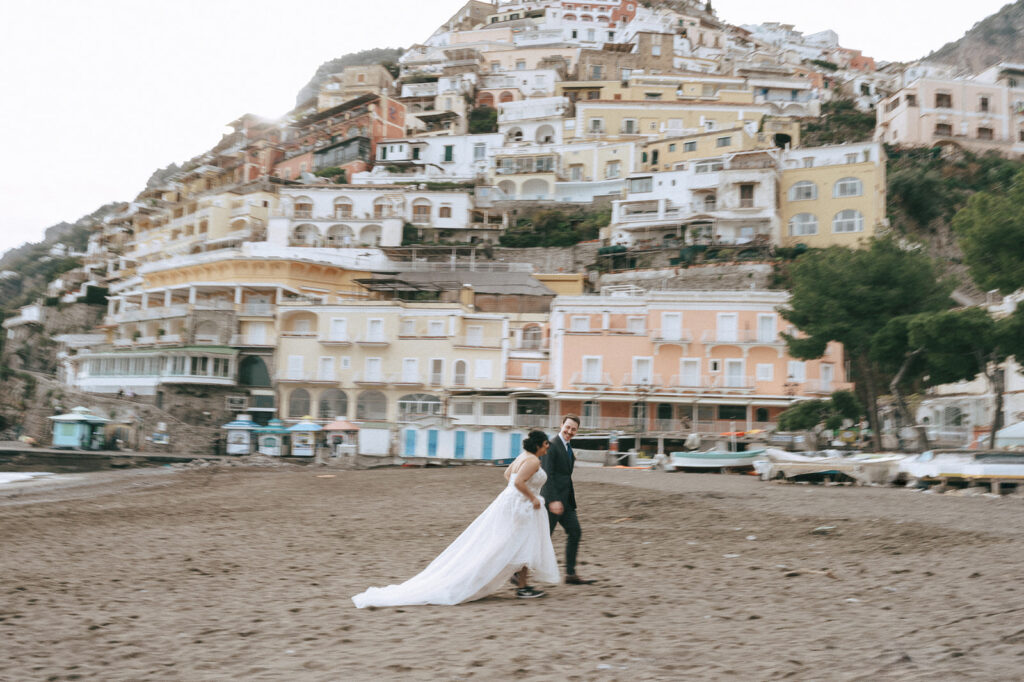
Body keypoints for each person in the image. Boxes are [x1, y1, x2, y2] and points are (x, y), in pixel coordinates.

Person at [352, 430, 559, 607]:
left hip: (511, 503)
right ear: (540, 445)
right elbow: (518, 483)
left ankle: (521, 583)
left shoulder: (522, 457)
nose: (548, 447)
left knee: (516, 543)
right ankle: (517, 585)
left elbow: (507, 475)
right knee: (509, 544)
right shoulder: (532, 461)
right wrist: (532, 497)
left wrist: (524, 493)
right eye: (546, 444)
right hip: (521, 506)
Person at [541, 414, 594, 585]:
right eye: (568, 427)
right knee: (542, 538)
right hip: (552, 501)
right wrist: (553, 500)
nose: (569, 431)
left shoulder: (568, 448)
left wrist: (567, 500)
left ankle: (570, 574)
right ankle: (518, 573)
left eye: (573, 429)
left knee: (575, 532)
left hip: (567, 502)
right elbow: (547, 475)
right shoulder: (551, 445)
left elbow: (565, 476)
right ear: (561, 424)